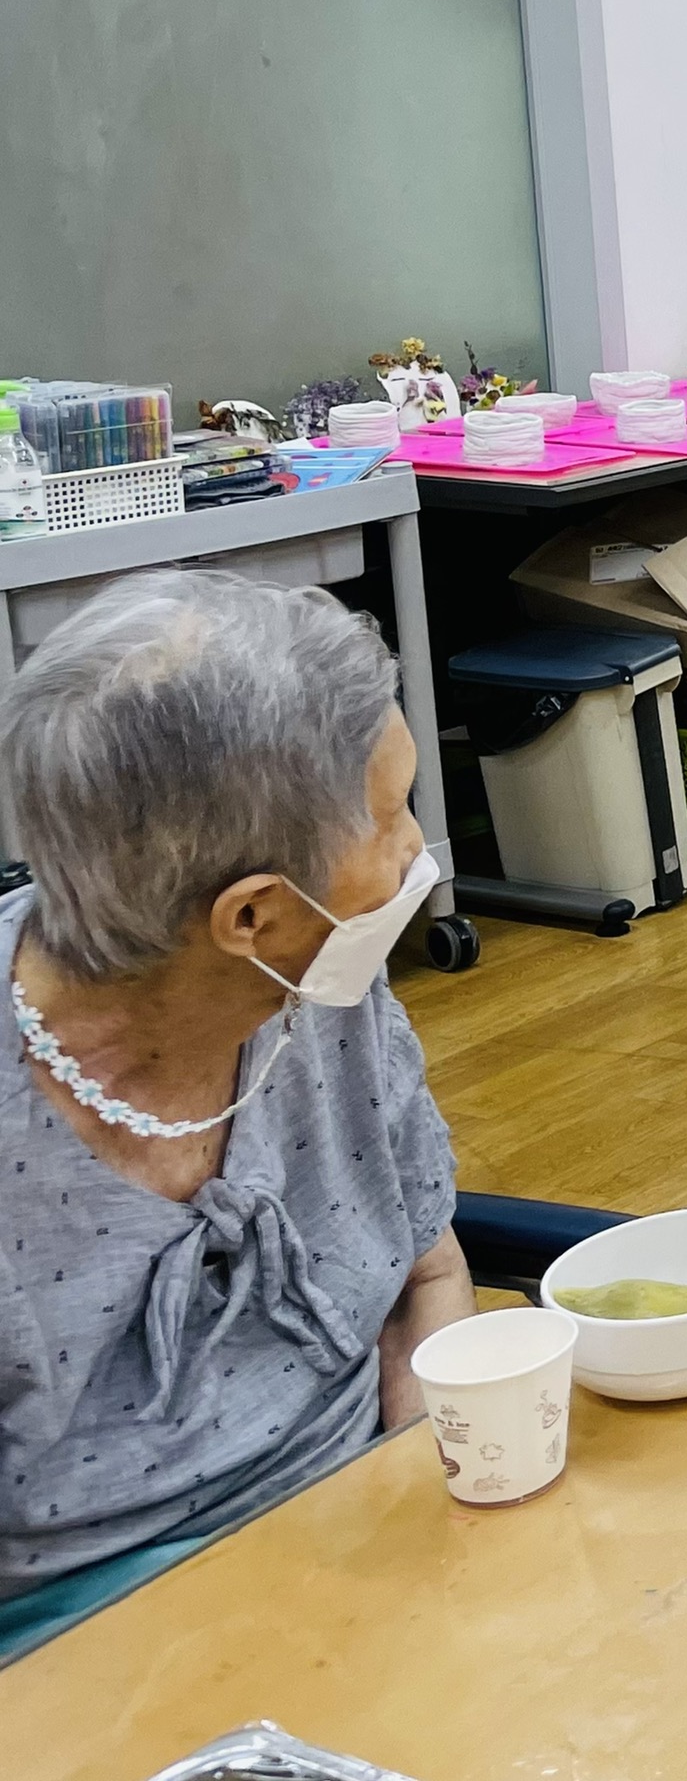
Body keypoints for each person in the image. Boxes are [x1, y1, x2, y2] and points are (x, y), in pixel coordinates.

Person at [0, 574, 473, 1659]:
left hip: (368, 1527)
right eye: (391, 814)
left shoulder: (319, 990)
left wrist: (427, 1507)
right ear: (252, 914)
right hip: (87, 1643)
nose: (416, 848)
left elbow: (429, 1278)